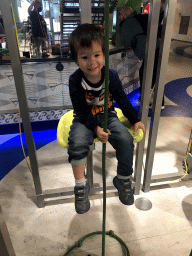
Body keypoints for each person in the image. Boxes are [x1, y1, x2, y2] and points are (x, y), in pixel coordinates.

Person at [68, 24, 146, 214]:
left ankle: (123, 178)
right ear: (76, 59)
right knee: (76, 142)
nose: (92, 62)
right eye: (85, 57)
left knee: (126, 140)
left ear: (104, 55)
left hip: (107, 114)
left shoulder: (110, 75)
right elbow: (81, 109)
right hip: (84, 118)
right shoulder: (75, 80)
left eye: (96, 55)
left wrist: (135, 119)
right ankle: (80, 186)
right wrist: (95, 129)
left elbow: (122, 99)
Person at [119, 1, 166, 109]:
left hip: (150, 50)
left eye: (121, 14)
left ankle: (156, 103)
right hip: (155, 47)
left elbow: (125, 42)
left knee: (149, 75)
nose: (120, 17)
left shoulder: (127, 23)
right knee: (151, 74)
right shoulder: (138, 18)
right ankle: (149, 99)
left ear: (125, 15)